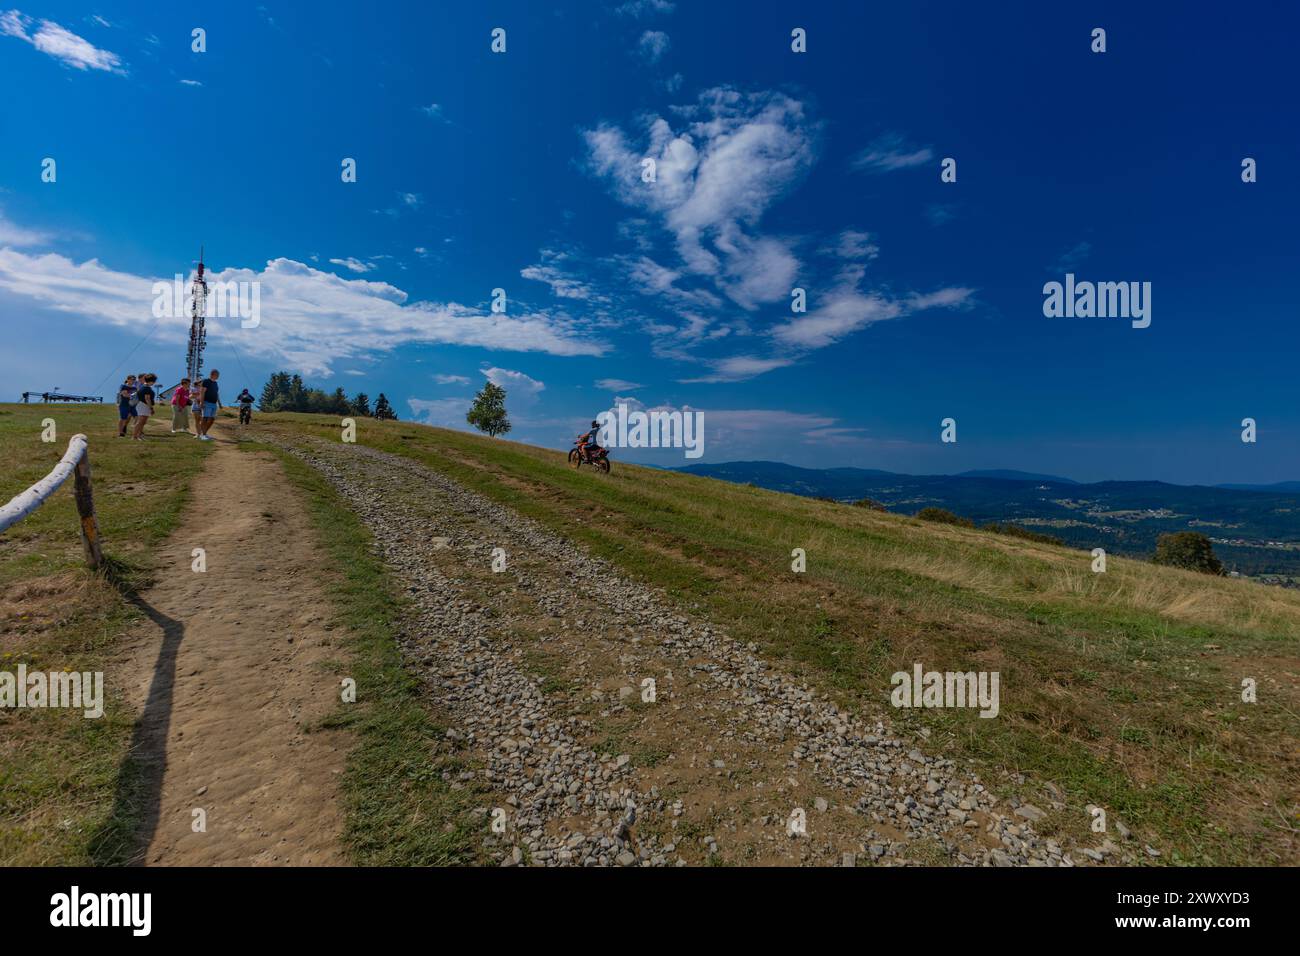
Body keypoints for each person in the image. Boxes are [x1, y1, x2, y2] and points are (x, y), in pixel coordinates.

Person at [195, 368, 220, 441]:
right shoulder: (206, 381)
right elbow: (202, 392)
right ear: (212, 374)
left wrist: (219, 403)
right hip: (207, 402)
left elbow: (216, 393)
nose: (218, 376)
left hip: (214, 403)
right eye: (217, 375)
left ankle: (204, 433)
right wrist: (201, 402)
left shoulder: (215, 383)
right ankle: (203, 435)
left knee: (212, 419)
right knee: (205, 418)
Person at [131, 374, 157, 440]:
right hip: (143, 405)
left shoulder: (144, 387)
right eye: (154, 381)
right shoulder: (146, 388)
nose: (154, 383)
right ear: (151, 381)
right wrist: (151, 408)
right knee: (140, 422)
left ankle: (139, 436)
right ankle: (134, 436)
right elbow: (147, 398)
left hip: (143, 405)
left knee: (143, 422)